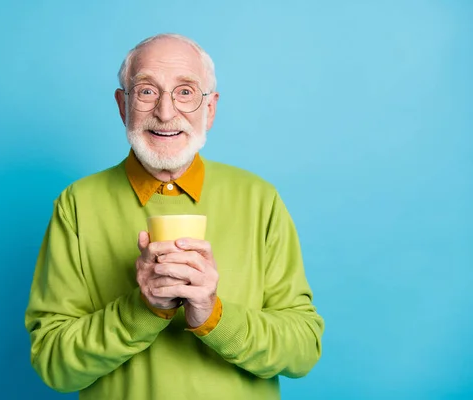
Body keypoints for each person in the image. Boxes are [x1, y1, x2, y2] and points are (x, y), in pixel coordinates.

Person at [25, 33, 324, 400]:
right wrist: (143, 308)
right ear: (123, 106)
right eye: (147, 91)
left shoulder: (259, 199)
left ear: (209, 109)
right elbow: (54, 365)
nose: (165, 113)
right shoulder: (76, 205)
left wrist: (214, 316)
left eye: (185, 92)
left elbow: (303, 351)